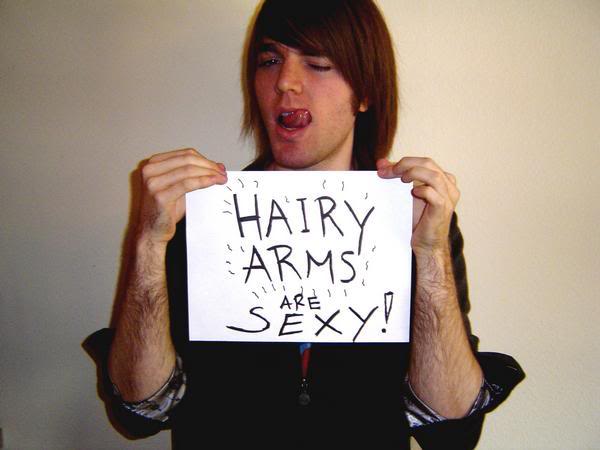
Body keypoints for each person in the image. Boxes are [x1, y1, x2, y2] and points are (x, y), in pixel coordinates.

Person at [86, 1, 524, 448]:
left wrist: (429, 257)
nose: (285, 82)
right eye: (269, 60)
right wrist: (148, 242)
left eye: (318, 63)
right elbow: (141, 410)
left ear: (365, 93)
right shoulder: (195, 214)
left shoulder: (416, 218)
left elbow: (449, 429)